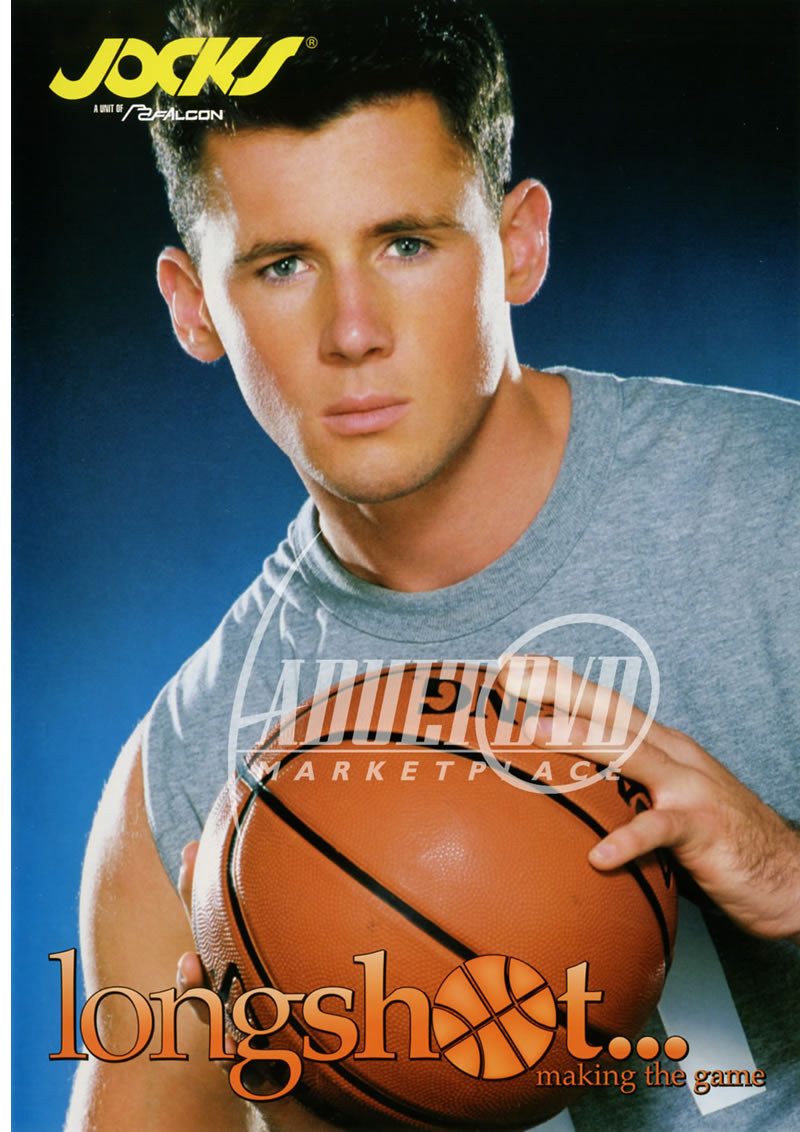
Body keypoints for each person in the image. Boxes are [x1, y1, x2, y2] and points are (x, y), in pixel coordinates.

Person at [65, 1, 800, 1130]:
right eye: (281, 264)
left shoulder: (775, 507)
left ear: (519, 243)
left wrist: (783, 876)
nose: (353, 329)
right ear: (194, 307)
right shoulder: (195, 777)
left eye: (405, 243)